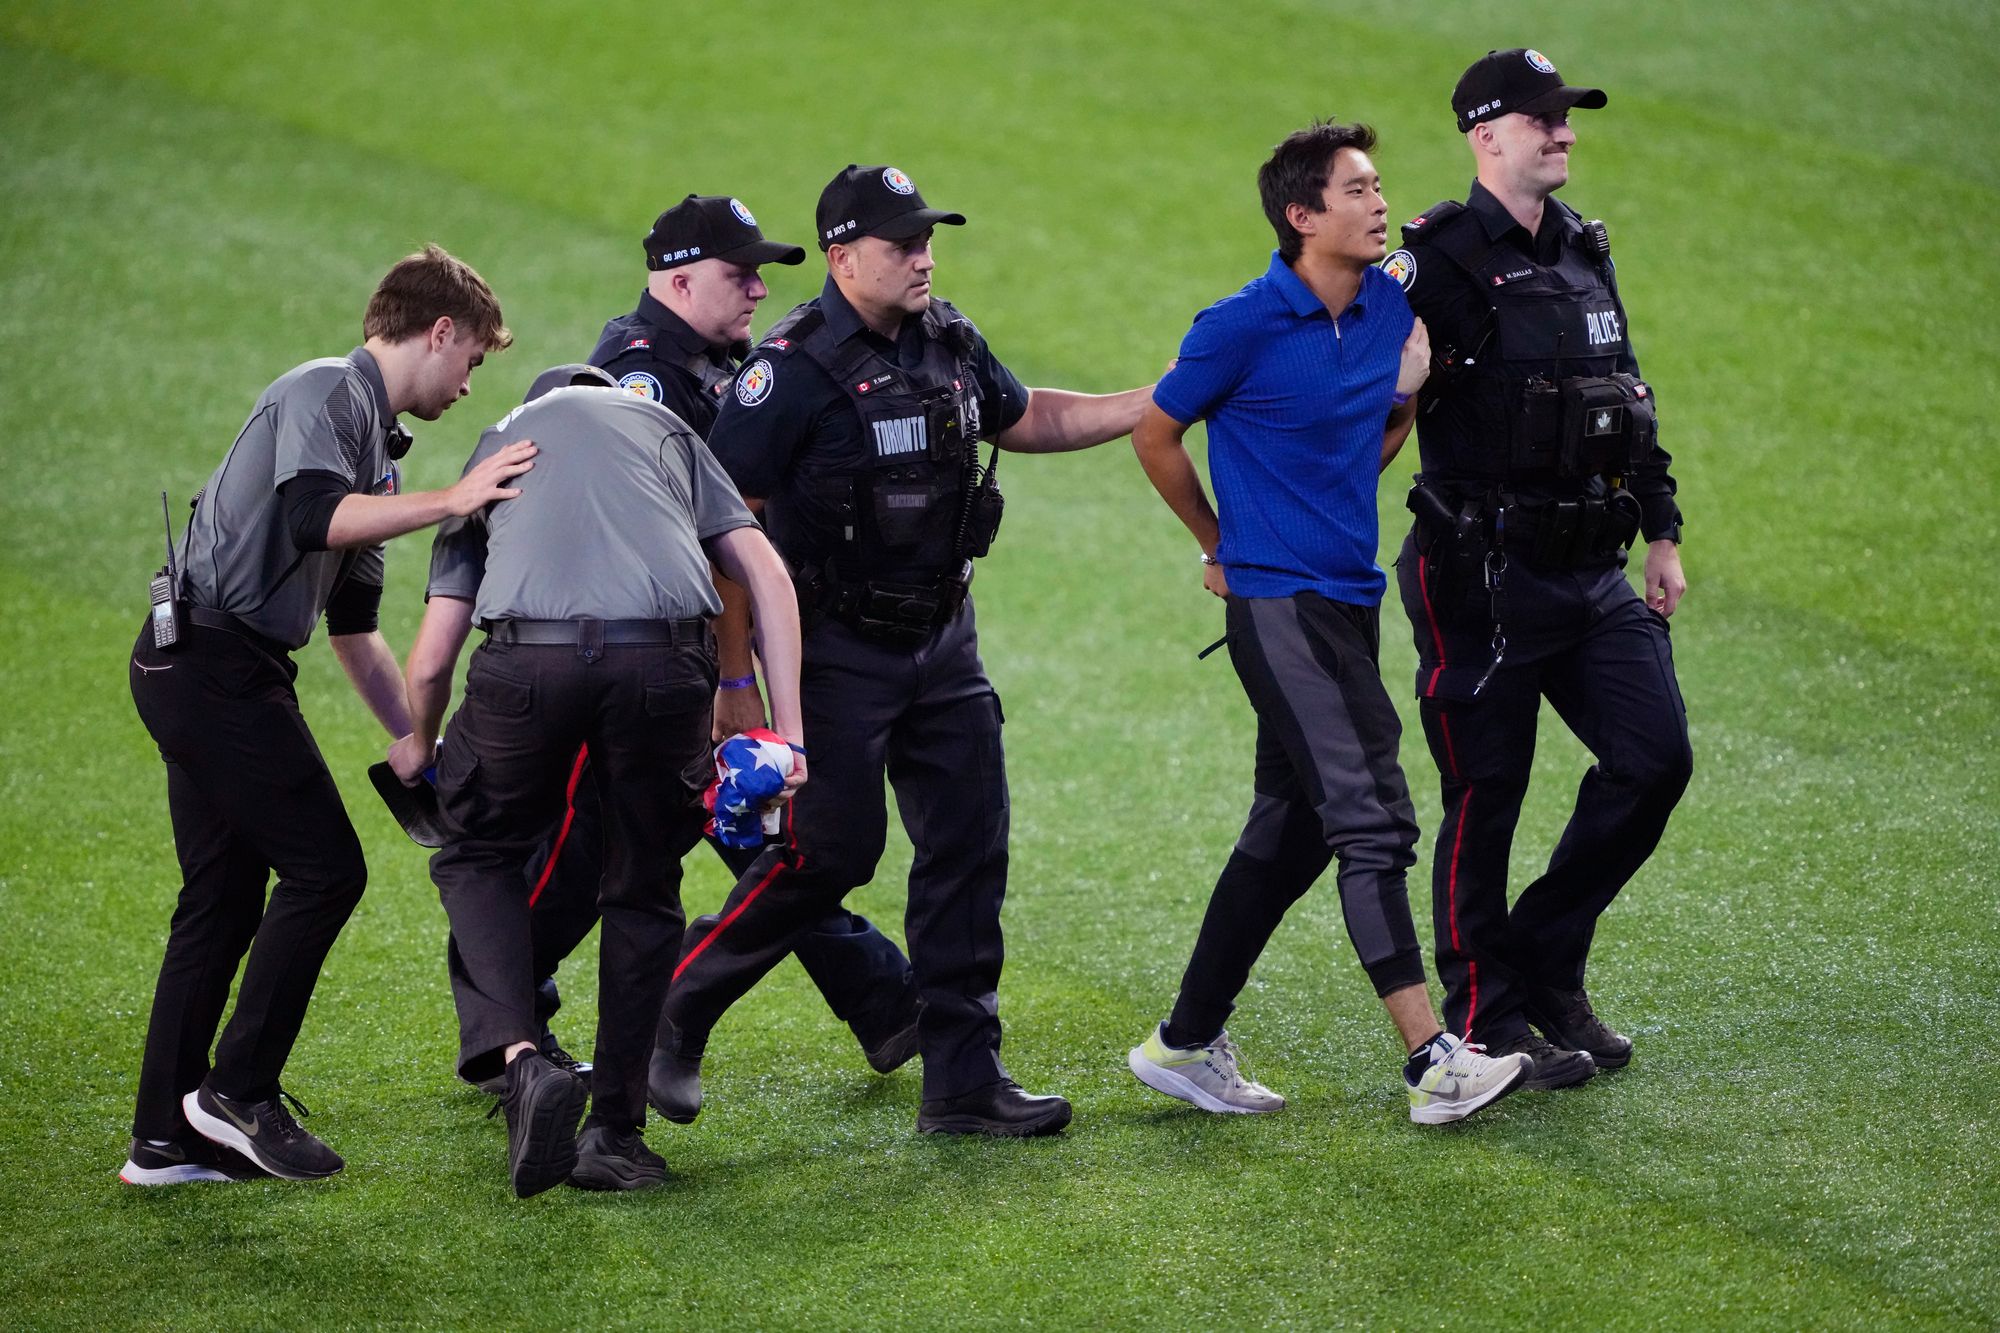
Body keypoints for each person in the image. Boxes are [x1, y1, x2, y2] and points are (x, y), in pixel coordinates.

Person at [652, 163, 1155, 1137]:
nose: (923, 256)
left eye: (928, 239)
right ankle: (671, 1013)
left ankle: (963, 1082)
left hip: (942, 646)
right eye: (902, 244)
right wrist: (733, 679)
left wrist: (1157, 398)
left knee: (969, 847)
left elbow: (1023, 415)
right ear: (843, 258)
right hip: (834, 652)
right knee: (825, 853)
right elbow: (725, 530)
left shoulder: (947, 338)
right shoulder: (788, 373)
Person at [1124, 123, 1533, 1125]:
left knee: (1293, 826)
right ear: (1301, 215)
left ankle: (1183, 1041)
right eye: (1355, 188)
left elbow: (1372, 433)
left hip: (1349, 599)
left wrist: (1397, 414)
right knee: (1369, 812)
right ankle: (1430, 1059)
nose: (1376, 199)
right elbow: (1154, 429)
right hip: (1278, 604)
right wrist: (1217, 541)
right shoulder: (1239, 323)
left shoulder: (1386, 301)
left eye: (1376, 183)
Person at [473, 195, 918, 1094]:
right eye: (738, 272)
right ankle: (507, 1023)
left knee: (688, 838)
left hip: (665, 659)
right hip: (628, 656)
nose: (759, 286)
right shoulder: (639, 380)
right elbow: (674, 538)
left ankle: (883, 999)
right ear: (678, 279)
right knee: (611, 850)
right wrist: (731, 673)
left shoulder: (714, 365)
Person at [122, 245, 532, 1185]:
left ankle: (164, 1137)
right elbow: (312, 515)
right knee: (324, 869)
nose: (471, 381)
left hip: (217, 666)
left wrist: (413, 739)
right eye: (472, 357)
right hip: (209, 664)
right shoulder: (323, 392)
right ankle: (237, 1093)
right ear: (437, 332)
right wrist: (457, 501)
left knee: (221, 900)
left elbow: (355, 631)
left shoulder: (376, 461)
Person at [392, 364, 805, 1196]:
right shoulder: (665, 433)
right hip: (663, 663)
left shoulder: (499, 446)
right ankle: (613, 1134)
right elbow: (768, 574)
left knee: (475, 852)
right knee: (643, 891)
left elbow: (433, 655)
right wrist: (790, 735)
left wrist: (421, 748)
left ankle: (519, 1056)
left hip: (526, 663)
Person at [1388, 49, 1692, 1088]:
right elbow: (1363, 411)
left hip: (1592, 569)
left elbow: (1626, 397)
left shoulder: (1580, 248)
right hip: (1480, 573)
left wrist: (1661, 530)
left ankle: (1541, 961)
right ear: (1485, 137)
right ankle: (1484, 1015)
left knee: (1655, 759)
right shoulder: (1430, 262)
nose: (1562, 133)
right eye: (1542, 119)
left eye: (1566, 118)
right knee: (1488, 791)